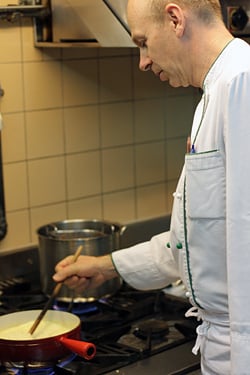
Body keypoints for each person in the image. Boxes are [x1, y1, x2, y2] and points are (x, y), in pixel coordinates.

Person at [53, 0, 250, 373]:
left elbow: (246, 247)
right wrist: (107, 265)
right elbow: (195, 241)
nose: (142, 60)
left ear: (175, 19)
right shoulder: (212, 94)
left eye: (143, 41)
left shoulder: (242, 84)